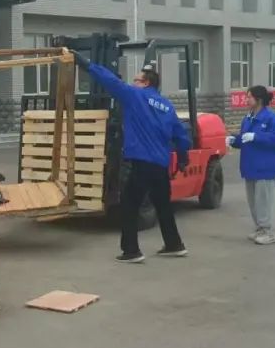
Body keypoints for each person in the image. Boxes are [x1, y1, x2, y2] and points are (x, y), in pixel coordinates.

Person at [74, 54, 191, 263]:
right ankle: (174, 244)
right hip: (160, 165)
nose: (133, 82)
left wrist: (86, 64)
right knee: (163, 205)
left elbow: (110, 81)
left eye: (136, 80)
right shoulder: (167, 106)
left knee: (129, 204)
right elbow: (181, 136)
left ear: (146, 83)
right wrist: (183, 157)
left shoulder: (135, 96)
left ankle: (131, 251)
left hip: (142, 162)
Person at [225, 85, 275, 245]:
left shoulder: (271, 118)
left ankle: (268, 231)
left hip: (265, 167)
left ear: (258, 99)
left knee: (263, 201)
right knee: (253, 201)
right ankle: (259, 228)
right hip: (250, 166)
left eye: (249, 97)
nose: (246, 100)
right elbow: (245, 139)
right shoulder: (248, 118)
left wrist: (257, 137)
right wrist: (234, 140)